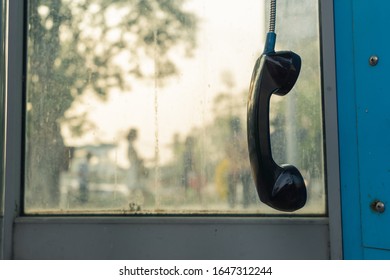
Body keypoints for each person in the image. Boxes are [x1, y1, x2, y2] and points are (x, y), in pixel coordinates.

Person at [225, 117, 252, 208]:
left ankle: (232, 203)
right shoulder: (243, 137)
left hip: (234, 167)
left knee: (233, 186)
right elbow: (247, 152)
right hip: (243, 166)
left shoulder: (229, 139)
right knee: (245, 186)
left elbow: (228, 153)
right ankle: (245, 203)